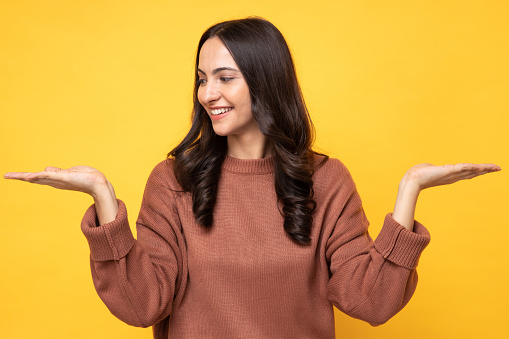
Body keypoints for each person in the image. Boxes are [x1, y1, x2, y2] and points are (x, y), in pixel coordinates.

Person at [4, 17, 500, 338]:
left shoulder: (325, 180)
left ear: (264, 80)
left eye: (224, 76)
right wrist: (104, 200)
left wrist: (410, 189)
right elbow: (142, 306)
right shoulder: (173, 181)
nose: (207, 93)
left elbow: (368, 302)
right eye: (201, 78)